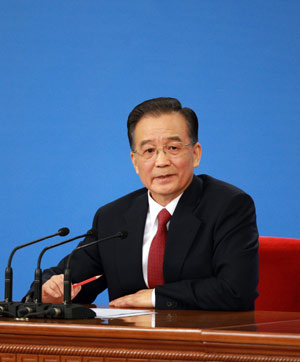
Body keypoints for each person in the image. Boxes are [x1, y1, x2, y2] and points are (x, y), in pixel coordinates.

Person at [26, 97, 259, 310]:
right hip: (130, 347)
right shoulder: (113, 217)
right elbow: (70, 279)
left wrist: (155, 297)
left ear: (196, 154)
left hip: (205, 342)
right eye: (149, 150)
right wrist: (49, 290)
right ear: (135, 162)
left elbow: (236, 290)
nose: (161, 161)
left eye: (173, 148)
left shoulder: (229, 206)